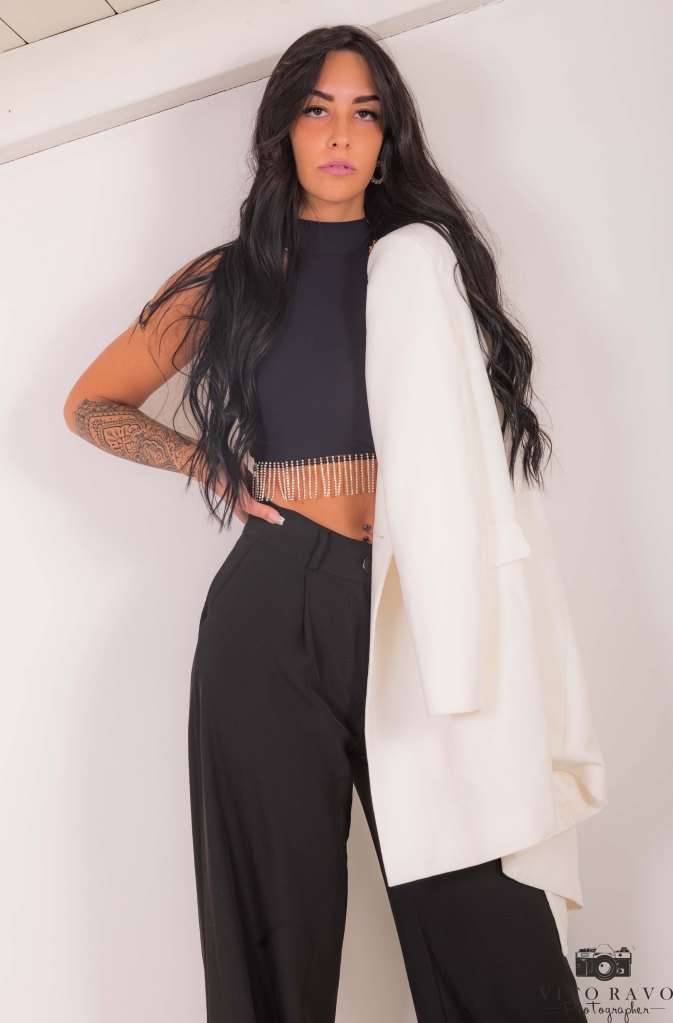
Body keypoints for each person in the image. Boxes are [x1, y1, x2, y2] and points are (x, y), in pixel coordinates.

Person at [63, 23, 604, 1022]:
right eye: (318, 111)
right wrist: (202, 460)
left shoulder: (426, 264)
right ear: (284, 131)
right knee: (275, 925)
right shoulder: (230, 278)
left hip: (418, 605)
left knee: (487, 911)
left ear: (389, 137)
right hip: (272, 602)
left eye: (365, 113)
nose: (342, 134)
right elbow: (90, 404)